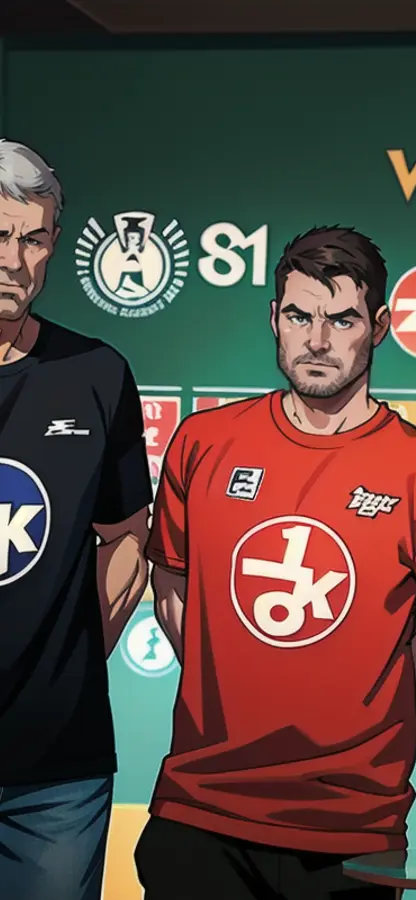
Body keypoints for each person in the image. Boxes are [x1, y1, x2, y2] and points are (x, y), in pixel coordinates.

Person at [134, 226, 416, 899]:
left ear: (379, 326)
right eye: (299, 315)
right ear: (275, 318)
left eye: (342, 318)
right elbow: (172, 584)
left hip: (352, 831)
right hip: (199, 810)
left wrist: (352, 714)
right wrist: (242, 688)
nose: (317, 340)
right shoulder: (203, 444)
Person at [0, 139, 153, 899]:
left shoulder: (96, 374)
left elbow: (128, 537)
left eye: (31, 238)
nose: (13, 260)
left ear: (54, 243)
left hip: (57, 771)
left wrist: (73, 657)